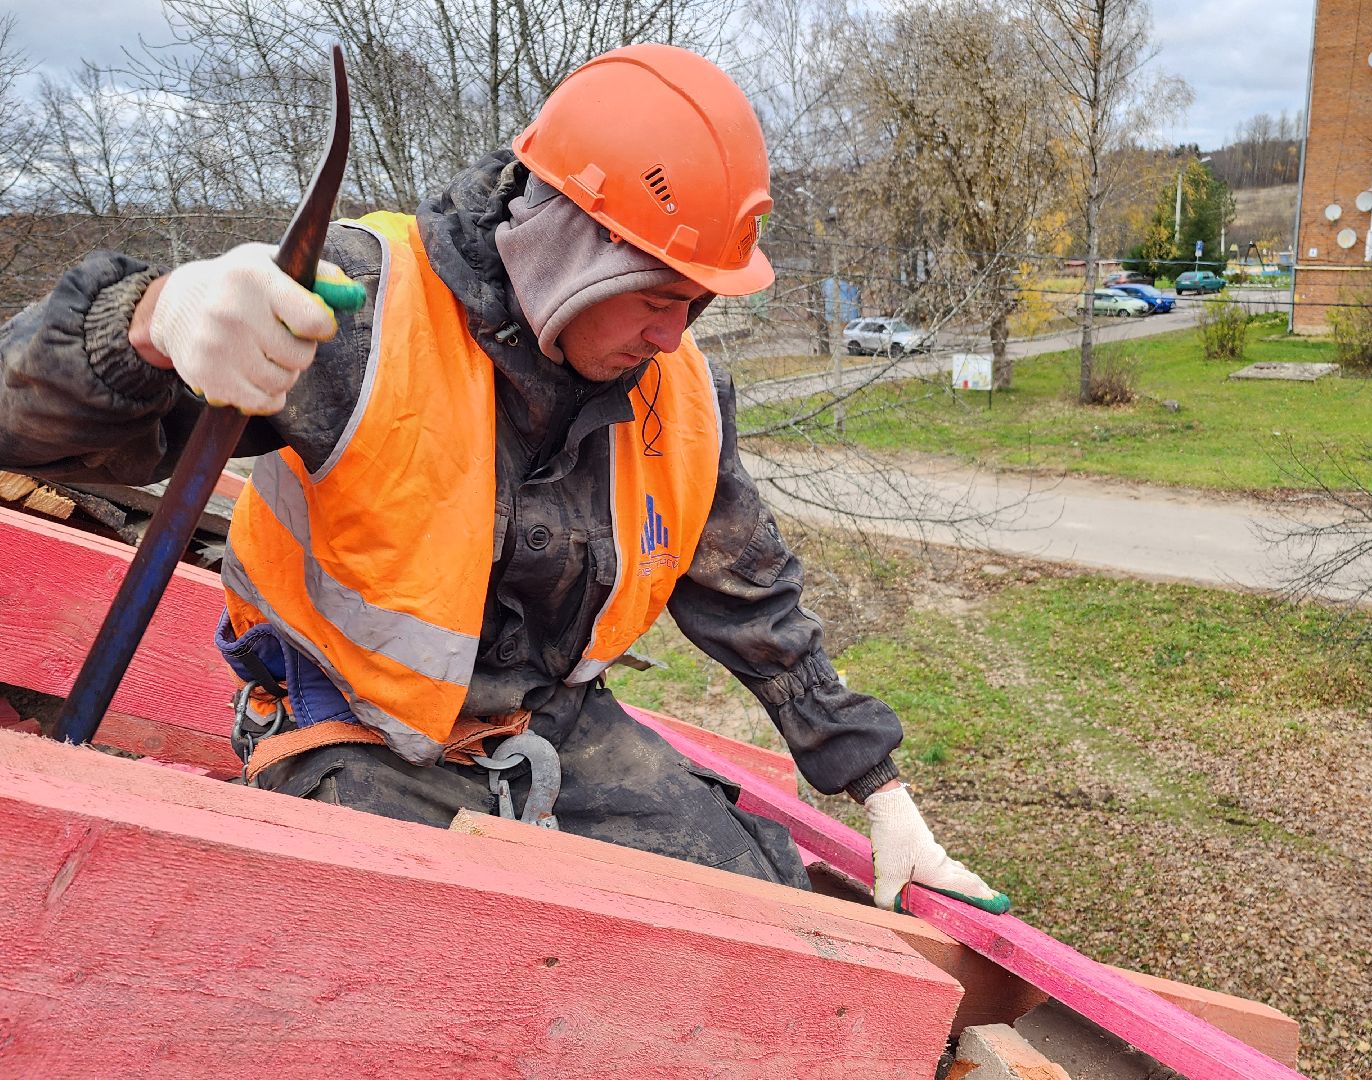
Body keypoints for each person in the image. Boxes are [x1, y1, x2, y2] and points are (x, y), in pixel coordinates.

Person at [0, 44, 1008, 914]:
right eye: (656, 296)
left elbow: (758, 603)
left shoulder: (678, 392)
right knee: (426, 955)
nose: (673, 334)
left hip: (547, 727)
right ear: (568, 249)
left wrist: (880, 793)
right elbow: (27, 422)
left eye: (696, 305)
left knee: (764, 908)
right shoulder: (359, 309)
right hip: (350, 734)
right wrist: (150, 322)